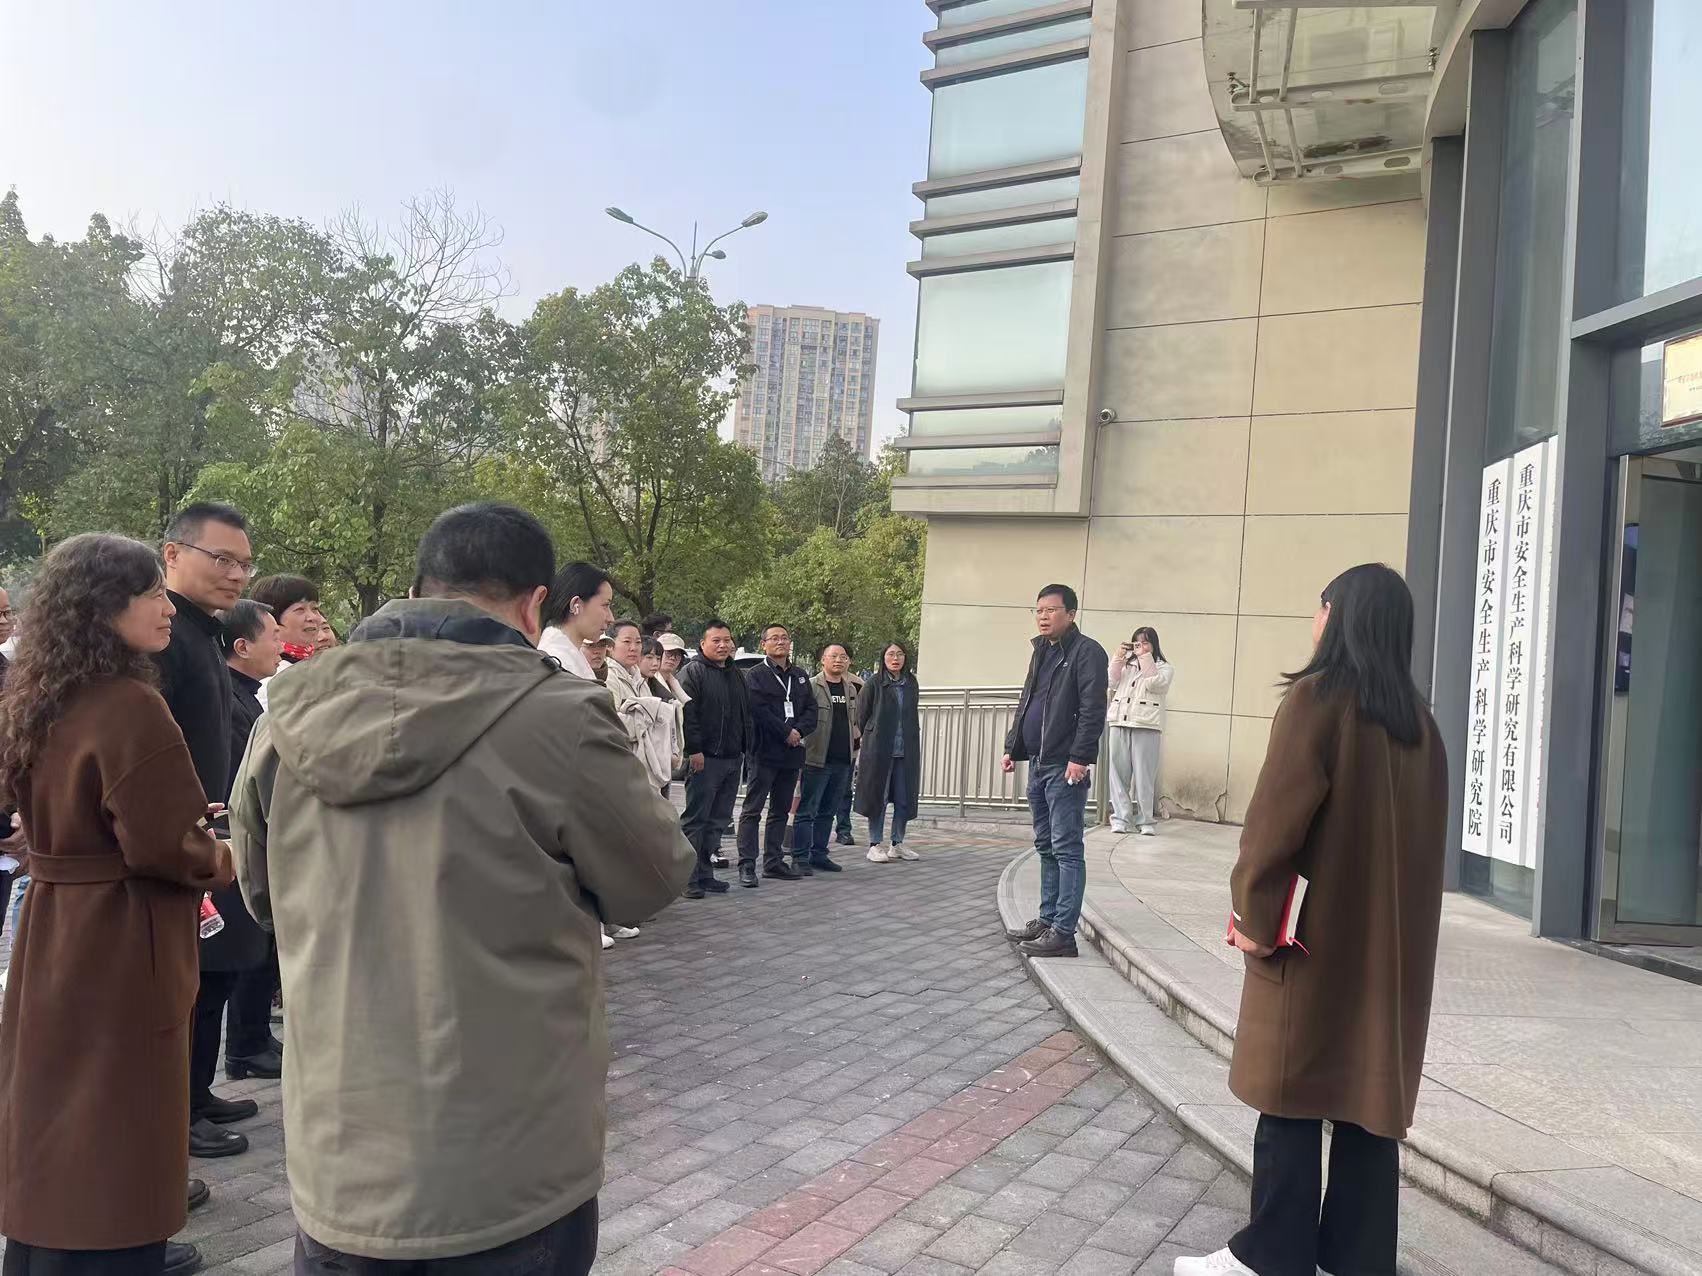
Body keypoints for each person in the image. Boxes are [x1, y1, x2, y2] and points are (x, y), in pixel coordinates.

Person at [228, 502, 694, 1276]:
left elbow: (261, 896)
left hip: (340, 1161)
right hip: (509, 1165)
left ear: (417, 587)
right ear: (535, 603)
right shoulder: (560, 716)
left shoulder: (286, 717)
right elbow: (653, 878)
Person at [1174, 565, 1448, 1276]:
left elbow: (1273, 826)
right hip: (1389, 954)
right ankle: (1356, 1258)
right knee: (1367, 1101)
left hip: (1310, 939)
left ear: (1340, 615)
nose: (1315, 619)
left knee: (1287, 1093)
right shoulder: (1421, 725)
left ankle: (1271, 1256)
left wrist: (1252, 912)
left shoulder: (1316, 700)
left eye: (1321, 607)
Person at [0, 533, 232, 1276]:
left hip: (51, 924)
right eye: (151, 593)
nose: (168, 607)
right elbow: (166, 846)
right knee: (119, 1109)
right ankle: (109, 1253)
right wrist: (224, 856)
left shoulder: (40, 696)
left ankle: (41, 1252)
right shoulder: (131, 704)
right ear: (105, 607)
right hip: (121, 933)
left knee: (55, 1103)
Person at [157, 502, 269, 1156]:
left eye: (244, 563)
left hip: (214, 831)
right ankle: (176, 1114)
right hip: (178, 839)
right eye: (221, 558)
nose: (236, 574)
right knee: (191, 984)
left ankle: (197, 1094)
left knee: (218, 972)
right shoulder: (165, 638)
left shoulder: (202, 635)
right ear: (173, 554)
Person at [1001, 584, 1109, 961]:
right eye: (1039, 610)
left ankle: (1063, 933)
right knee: (1045, 845)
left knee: (1066, 848)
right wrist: (1013, 747)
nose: (1043, 617)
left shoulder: (1087, 652)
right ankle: (1047, 921)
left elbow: (1093, 708)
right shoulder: (1042, 651)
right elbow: (1027, 700)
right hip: (1038, 762)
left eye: (1051, 610)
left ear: (1071, 613)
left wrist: (1080, 757)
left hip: (1065, 766)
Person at [221, 601, 286, 1081]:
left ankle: (256, 1036)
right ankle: (244, 1045)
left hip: (249, 829)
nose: (281, 646)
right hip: (234, 833)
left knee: (262, 949)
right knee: (248, 948)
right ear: (242, 646)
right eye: (274, 636)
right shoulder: (228, 699)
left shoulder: (249, 696)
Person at [738, 623, 816, 888]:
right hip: (764, 750)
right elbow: (758, 711)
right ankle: (747, 864)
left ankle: (773, 862)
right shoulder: (755, 675)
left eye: (784, 637)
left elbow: (811, 710)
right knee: (753, 809)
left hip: (792, 753)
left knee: (781, 809)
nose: (780, 642)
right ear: (764, 644)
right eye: (774, 638)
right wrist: (786, 732)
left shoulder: (801, 676)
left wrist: (799, 731)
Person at [677, 620, 750, 899]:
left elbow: (744, 714)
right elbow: (687, 715)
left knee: (718, 820)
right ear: (703, 644)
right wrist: (694, 750)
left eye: (726, 640)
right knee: (696, 820)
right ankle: (687, 878)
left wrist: (745, 747)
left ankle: (705, 874)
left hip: (732, 758)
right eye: (716, 640)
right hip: (705, 759)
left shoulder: (735, 673)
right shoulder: (693, 672)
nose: (723, 645)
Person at [790, 643, 862, 874]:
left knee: (828, 811)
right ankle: (799, 858)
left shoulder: (851, 688)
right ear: (823, 660)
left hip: (843, 760)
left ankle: (819, 854)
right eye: (834, 656)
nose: (839, 660)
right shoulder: (811, 686)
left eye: (843, 657)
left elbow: (855, 721)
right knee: (807, 811)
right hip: (816, 758)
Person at [856, 642, 922, 863]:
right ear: (883, 658)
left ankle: (897, 843)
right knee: (879, 798)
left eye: (900, 654)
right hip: (879, 750)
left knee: (904, 799)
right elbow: (861, 716)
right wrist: (872, 736)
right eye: (891, 654)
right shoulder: (874, 683)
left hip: (906, 750)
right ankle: (874, 844)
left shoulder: (911, 682)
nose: (896, 658)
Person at [1107, 626, 1174, 836]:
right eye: (1137, 643)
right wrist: (1118, 657)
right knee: (1118, 774)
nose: (1141, 647)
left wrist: (1145, 658)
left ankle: (1146, 820)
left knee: (1145, 776)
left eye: (1145, 643)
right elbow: (1110, 681)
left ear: (1154, 644)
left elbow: (1155, 684)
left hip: (1146, 724)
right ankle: (1121, 819)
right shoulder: (1127, 665)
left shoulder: (1164, 668)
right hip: (1119, 721)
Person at [538, 562, 615, 682]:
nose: (611, 618)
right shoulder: (557, 662)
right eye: (605, 605)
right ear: (576, 604)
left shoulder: (567, 657)